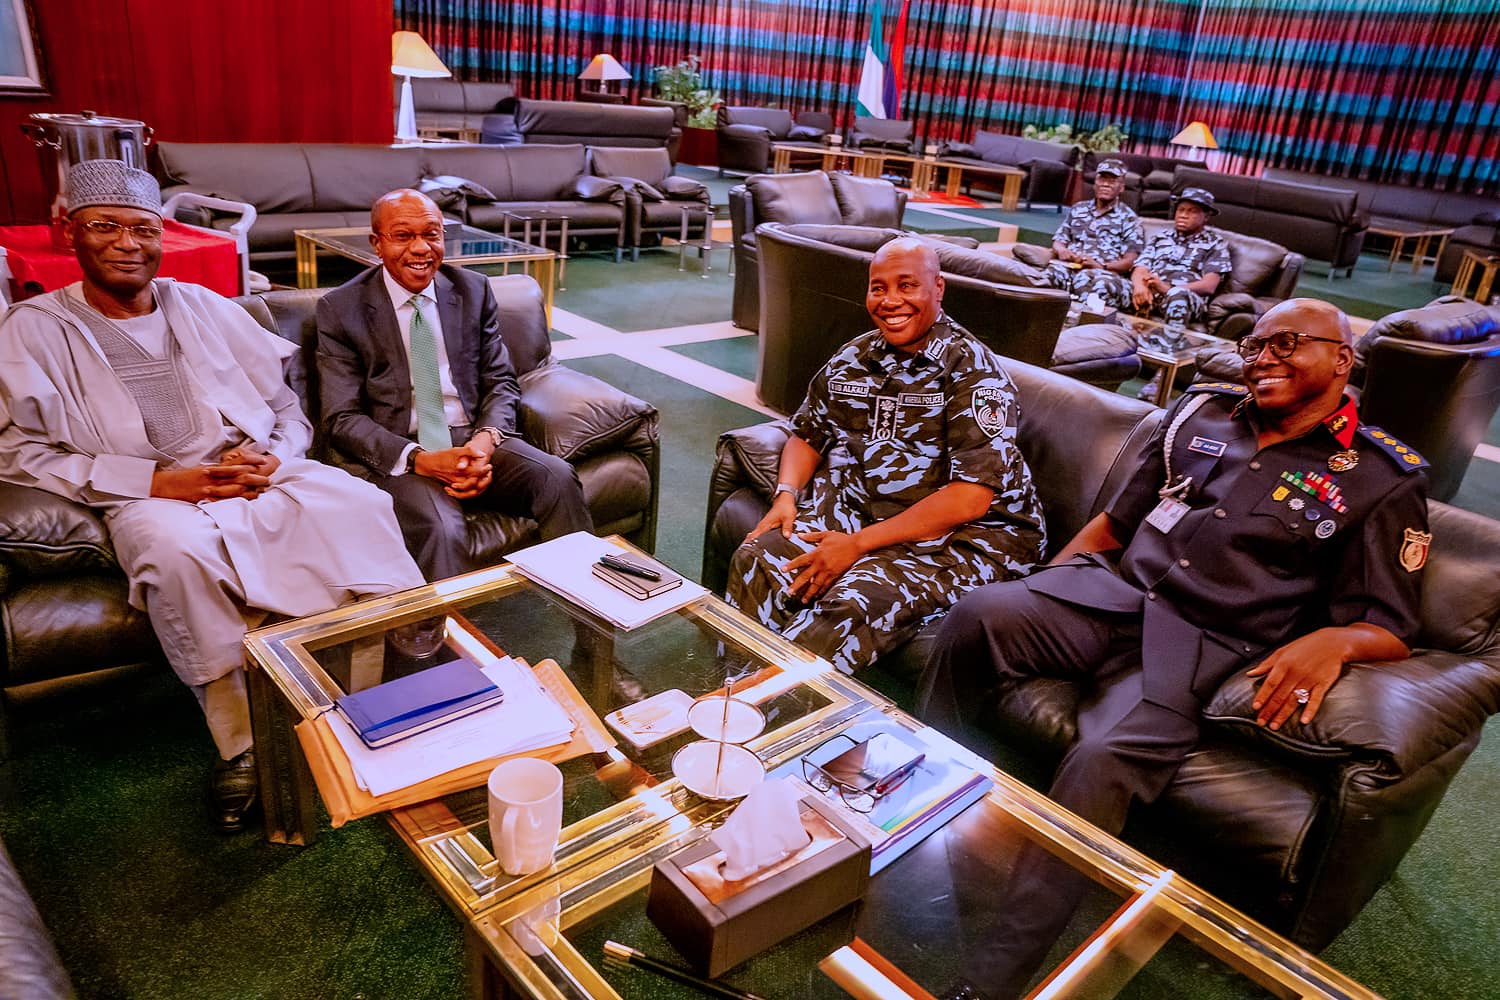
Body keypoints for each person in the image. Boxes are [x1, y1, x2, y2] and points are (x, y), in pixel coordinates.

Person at [916, 298, 1429, 999]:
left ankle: (991, 982)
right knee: (979, 613)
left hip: (1196, 646)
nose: (1262, 358)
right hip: (1110, 596)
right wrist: (1048, 585)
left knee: (1101, 760)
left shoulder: (1381, 476)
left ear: (1342, 359)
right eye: (1253, 345)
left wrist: (1337, 640)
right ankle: (921, 806)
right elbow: (1115, 524)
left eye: (1286, 344)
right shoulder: (1200, 415)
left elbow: (1393, 626)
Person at [0, 160, 425, 832]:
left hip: (255, 475)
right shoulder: (31, 328)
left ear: (160, 237)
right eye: (104, 226)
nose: (126, 244)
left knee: (361, 505)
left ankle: (364, 701)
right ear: (69, 232)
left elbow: (286, 410)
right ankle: (244, 743)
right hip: (149, 496)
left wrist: (276, 455)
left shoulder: (201, 305)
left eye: (143, 229)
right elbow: (19, 453)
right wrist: (156, 482)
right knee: (178, 557)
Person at [726, 239, 1045, 675]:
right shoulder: (856, 357)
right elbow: (808, 432)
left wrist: (857, 545)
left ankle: (764, 709)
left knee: (852, 602)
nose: (890, 301)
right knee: (758, 556)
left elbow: (970, 499)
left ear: (938, 288)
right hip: (873, 516)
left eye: (907, 285)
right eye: (878, 287)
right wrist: (786, 495)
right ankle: (730, 692)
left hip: (971, 538)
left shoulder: (973, 373)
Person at [316, 189, 592, 581]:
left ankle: (588, 612)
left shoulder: (472, 291)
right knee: (442, 529)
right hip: (403, 451)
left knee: (557, 478)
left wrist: (483, 443)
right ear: (377, 243)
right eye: (403, 236)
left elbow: (500, 380)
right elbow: (342, 417)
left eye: (431, 234)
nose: (420, 248)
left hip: (471, 438)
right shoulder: (341, 309)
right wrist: (420, 458)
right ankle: (454, 624)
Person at [1130, 186, 1232, 341]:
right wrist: (1139, 287)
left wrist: (1167, 288)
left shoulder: (1215, 244)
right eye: (1181, 210)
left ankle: (1166, 349)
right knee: (1103, 280)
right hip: (1149, 294)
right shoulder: (1161, 237)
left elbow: (1209, 286)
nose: (1183, 215)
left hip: (1184, 298)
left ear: (1206, 217)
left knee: (1178, 295)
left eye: (1192, 211)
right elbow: (1140, 268)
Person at [1043, 157, 1143, 311]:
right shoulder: (1078, 209)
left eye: (1112, 181)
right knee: (1048, 276)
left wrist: (1101, 266)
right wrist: (1063, 251)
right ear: (1095, 183)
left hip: (1104, 274)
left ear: (1121, 187)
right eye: (1102, 179)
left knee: (1091, 284)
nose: (1105, 184)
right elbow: (1059, 240)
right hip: (1071, 267)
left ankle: (1084, 323)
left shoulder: (1129, 218)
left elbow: (1130, 261)